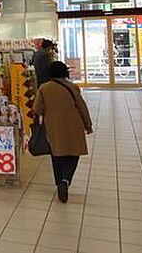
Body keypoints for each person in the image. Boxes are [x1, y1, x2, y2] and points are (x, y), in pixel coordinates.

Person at [33, 61, 93, 203]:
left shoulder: (44, 88)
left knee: (56, 154)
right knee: (74, 154)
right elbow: (82, 107)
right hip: (74, 126)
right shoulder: (73, 87)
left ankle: (60, 181)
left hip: (54, 127)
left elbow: (37, 109)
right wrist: (88, 125)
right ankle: (66, 180)